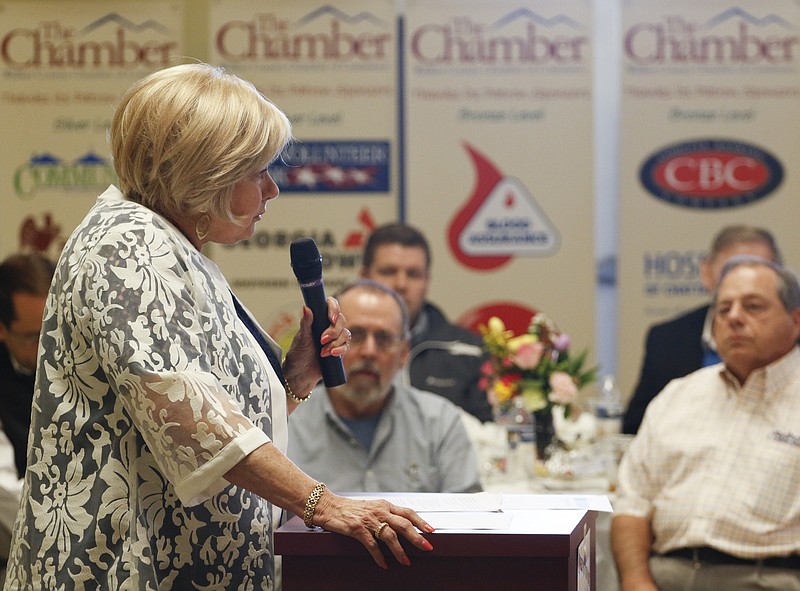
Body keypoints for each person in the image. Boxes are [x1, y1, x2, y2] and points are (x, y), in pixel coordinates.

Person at [3, 63, 435, 590]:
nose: (272, 190)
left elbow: (218, 419)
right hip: (117, 570)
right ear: (205, 173)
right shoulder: (123, 247)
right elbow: (190, 420)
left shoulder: (178, 250)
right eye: (258, 172)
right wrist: (323, 504)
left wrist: (295, 379)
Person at [611, 256, 800, 591]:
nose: (734, 318)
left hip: (766, 578)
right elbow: (632, 504)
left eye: (753, 306)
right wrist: (637, 582)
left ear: (795, 321)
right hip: (662, 575)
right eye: (723, 309)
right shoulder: (679, 395)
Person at [288, 279, 482, 494]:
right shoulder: (288, 422)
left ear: (404, 353)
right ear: (329, 339)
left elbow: (468, 518)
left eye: (384, 338)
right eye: (355, 335)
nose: (369, 351)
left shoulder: (440, 422)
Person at [623, 225, 782, 434]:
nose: (744, 283)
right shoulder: (667, 339)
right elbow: (635, 427)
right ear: (707, 273)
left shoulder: (790, 339)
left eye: (757, 272)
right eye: (732, 271)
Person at [360, 223, 493, 423]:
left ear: (427, 282)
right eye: (388, 271)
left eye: (413, 274)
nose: (401, 284)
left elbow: (493, 438)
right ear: (364, 277)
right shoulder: (333, 347)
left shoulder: (470, 351)